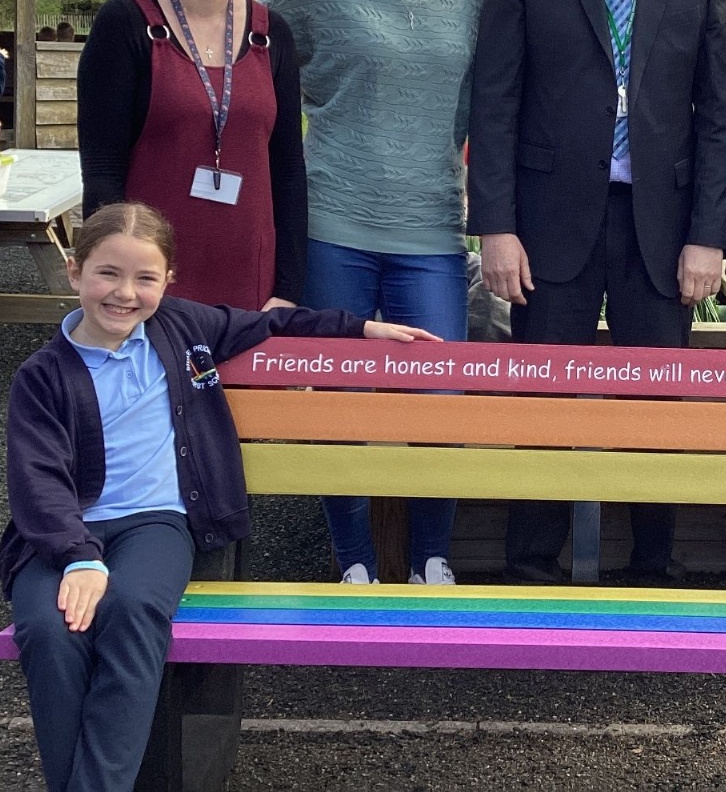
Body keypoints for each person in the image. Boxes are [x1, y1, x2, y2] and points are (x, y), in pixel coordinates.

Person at [1, 202, 438, 792]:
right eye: (107, 273)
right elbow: (38, 480)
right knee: (50, 631)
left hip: (155, 525)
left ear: (167, 283)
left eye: (145, 278)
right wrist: (78, 557)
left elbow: (274, 323)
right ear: (75, 272)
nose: (124, 293)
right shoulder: (42, 373)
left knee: (133, 609)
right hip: (59, 535)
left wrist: (362, 327)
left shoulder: (184, 328)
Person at [468, 0, 726, 584]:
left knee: (654, 407)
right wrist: (496, 225)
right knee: (544, 400)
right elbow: (497, 96)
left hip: (663, 228)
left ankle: (653, 567)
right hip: (548, 224)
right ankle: (529, 567)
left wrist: (709, 234)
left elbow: (721, 112)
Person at [264, 0, 485, 587]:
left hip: (431, 230)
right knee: (341, 399)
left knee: (440, 403)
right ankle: (353, 557)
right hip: (333, 225)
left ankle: (432, 556)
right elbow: (251, 45)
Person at [77, 0, 306, 312]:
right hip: (150, 284)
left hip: (252, 283)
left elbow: (288, 169)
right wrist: (112, 282)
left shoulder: (271, 33)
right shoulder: (125, 23)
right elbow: (102, 170)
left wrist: (288, 287)